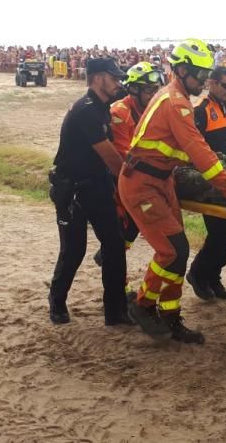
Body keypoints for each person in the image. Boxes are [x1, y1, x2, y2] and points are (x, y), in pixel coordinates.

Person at [118, 39, 226, 344]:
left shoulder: (176, 98)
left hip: (161, 181)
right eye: (200, 74)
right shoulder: (176, 103)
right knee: (172, 251)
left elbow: (184, 150)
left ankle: (171, 316)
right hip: (143, 184)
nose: (203, 80)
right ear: (183, 69)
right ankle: (143, 304)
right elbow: (197, 149)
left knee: (178, 253)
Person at [48, 57, 132, 327]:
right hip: (72, 189)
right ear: (98, 78)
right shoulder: (87, 111)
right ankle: (57, 302)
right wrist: (135, 185)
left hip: (95, 186)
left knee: (115, 245)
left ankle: (115, 311)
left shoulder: (102, 107)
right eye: (114, 77)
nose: (118, 82)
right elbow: (111, 158)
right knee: (74, 250)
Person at [92, 62, 165, 288]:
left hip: (138, 180)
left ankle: (107, 256)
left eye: (157, 90)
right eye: (150, 90)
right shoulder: (119, 114)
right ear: (134, 90)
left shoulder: (152, 111)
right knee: (122, 232)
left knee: (131, 229)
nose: (155, 95)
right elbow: (124, 156)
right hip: (117, 181)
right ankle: (119, 289)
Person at [187, 66, 226, 301]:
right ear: (211, 83)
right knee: (219, 233)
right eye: (225, 86)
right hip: (210, 178)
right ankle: (198, 274)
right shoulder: (200, 111)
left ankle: (213, 277)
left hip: (225, 172)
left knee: (225, 234)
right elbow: (192, 144)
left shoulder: (223, 105)